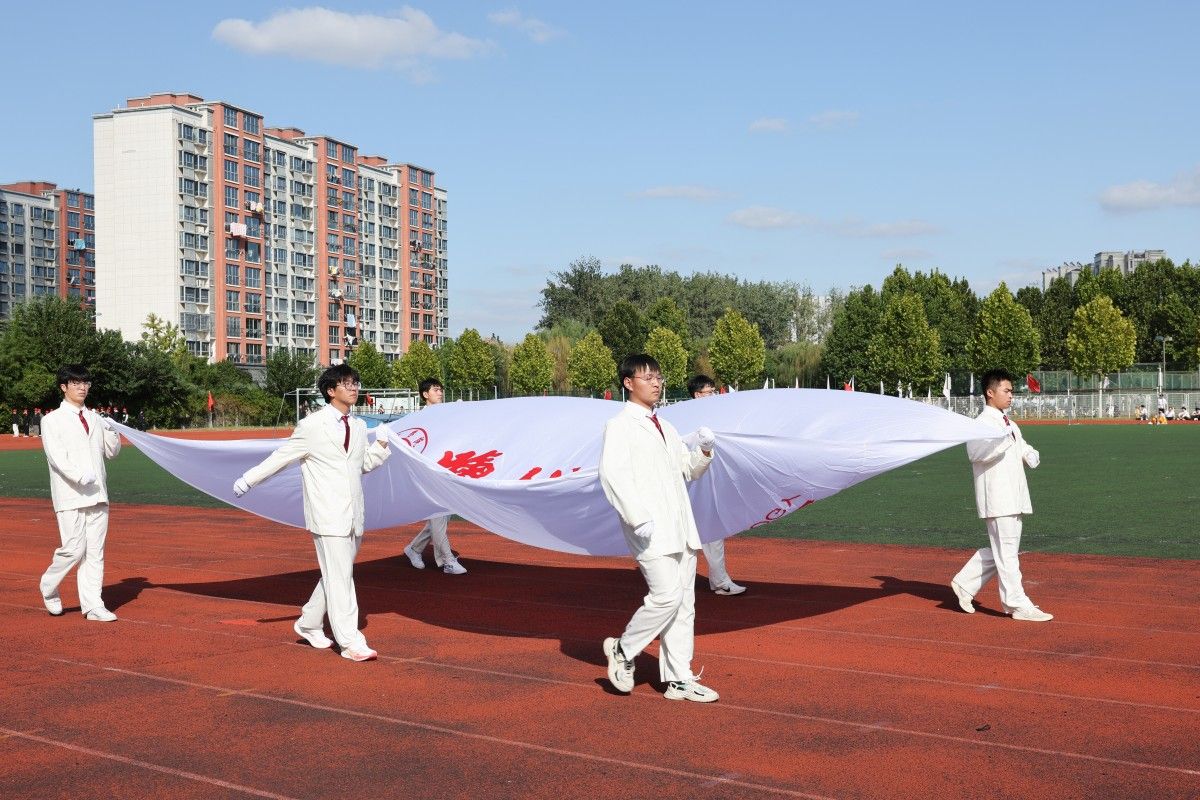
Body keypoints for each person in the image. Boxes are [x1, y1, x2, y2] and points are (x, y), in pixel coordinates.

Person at [233, 364, 391, 662]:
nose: (354, 388)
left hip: (354, 513)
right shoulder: (312, 425)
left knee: (337, 574)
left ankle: (308, 622)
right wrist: (249, 479)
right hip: (327, 513)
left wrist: (381, 446)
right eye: (347, 383)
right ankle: (350, 641)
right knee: (341, 578)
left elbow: (361, 465)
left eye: (356, 383)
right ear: (331, 390)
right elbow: (281, 457)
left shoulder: (358, 426)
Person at [600, 354, 719, 702]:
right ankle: (623, 649)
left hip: (681, 526)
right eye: (647, 377)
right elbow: (612, 475)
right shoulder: (620, 426)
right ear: (628, 383)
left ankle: (679, 678)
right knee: (666, 597)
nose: (656, 383)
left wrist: (705, 451)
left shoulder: (665, 426)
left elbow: (687, 469)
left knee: (684, 605)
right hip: (648, 528)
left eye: (658, 377)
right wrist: (637, 517)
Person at [950, 369, 1052, 622]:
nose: (1011, 395)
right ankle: (1017, 604)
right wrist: (1005, 442)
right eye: (1006, 391)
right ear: (990, 392)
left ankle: (965, 583)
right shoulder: (982, 423)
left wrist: (1029, 454)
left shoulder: (1009, 423)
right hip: (997, 496)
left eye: (1011, 391)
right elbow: (976, 453)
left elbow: (1021, 445)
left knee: (1005, 551)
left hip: (1014, 494)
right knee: (1007, 553)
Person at [38, 365, 123, 621]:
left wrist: (112, 430)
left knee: (95, 552)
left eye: (85, 383)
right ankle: (49, 586)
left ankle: (93, 605)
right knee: (74, 549)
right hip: (70, 493)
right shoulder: (51, 420)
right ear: (64, 387)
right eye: (76, 383)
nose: (82, 388)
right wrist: (78, 475)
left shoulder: (96, 418)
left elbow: (112, 453)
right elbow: (56, 457)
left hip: (98, 493)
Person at [687, 374, 745, 596]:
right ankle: (679, 583)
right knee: (686, 536)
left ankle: (720, 582)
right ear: (697, 395)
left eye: (713, 391)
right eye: (709, 392)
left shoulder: (716, 415)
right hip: (689, 484)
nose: (713, 395)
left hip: (708, 485)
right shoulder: (686, 417)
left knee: (713, 533)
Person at [402, 378, 467, 575]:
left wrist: (461, 412)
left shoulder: (445, 414)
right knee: (439, 515)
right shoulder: (418, 419)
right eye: (435, 390)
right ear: (425, 394)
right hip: (428, 474)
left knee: (441, 517)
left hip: (444, 472)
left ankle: (414, 549)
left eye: (441, 390)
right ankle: (447, 560)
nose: (440, 393)